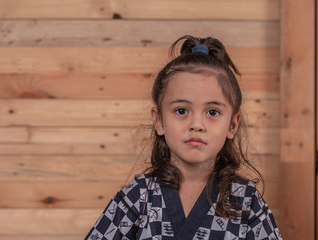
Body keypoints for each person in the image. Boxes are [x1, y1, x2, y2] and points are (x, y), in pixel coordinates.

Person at [85, 35, 282, 240]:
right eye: (181, 110)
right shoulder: (138, 197)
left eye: (212, 112)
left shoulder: (246, 201)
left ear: (232, 124)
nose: (196, 125)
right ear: (159, 120)